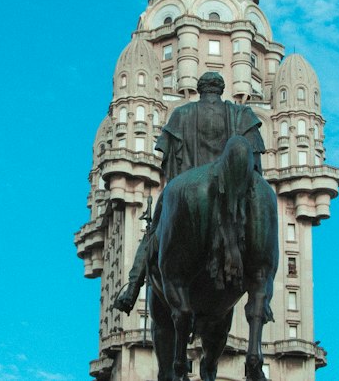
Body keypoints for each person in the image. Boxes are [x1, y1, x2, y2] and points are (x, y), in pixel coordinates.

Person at [113, 71, 264, 313]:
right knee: (261, 228)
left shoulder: (181, 114)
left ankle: (132, 288)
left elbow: (170, 164)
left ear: (199, 89)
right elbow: (255, 165)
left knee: (153, 232)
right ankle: (262, 295)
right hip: (234, 192)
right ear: (222, 89)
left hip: (187, 189)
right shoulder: (242, 114)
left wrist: (176, 193)